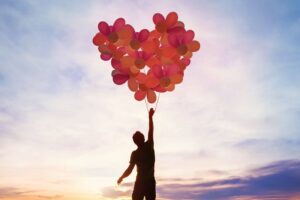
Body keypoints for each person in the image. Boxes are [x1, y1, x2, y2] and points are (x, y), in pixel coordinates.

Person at [117, 108, 156, 200]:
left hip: (144, 183)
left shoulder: (147, 146)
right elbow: (130, 169)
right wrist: (150, 117)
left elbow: (130, 169)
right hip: (144, 183)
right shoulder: (147, 146)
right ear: (141, 139)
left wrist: (122, 177)